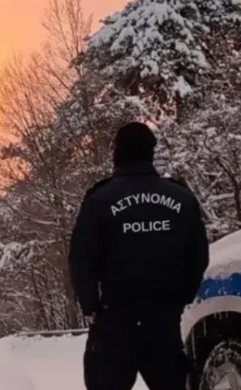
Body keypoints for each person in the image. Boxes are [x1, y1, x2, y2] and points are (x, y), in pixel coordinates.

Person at [69, 122, 209, 390]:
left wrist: (91, 304)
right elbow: (198, 255)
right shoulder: (181, 198)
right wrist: (181, 299)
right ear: (151, 152)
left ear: (117, 153)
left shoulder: (100, 199)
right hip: (164, 322)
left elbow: (81, 258)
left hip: (114, 321)